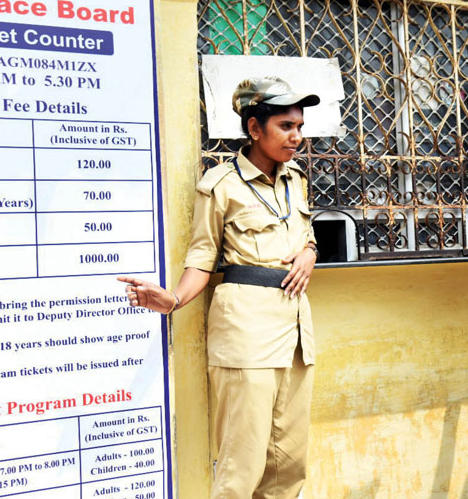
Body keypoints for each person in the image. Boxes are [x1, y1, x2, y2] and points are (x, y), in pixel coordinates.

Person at [119, 77, 321, 499]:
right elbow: (202, 256)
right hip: (246, 333)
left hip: (296, 333)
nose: (297, 137)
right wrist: (174, 299)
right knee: (241, 465)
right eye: (286, 126)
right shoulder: (221, 184)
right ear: (254, 129)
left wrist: (310, 253)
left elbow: (305, 236)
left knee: (288, 465)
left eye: (299, 126)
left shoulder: (295, 178)